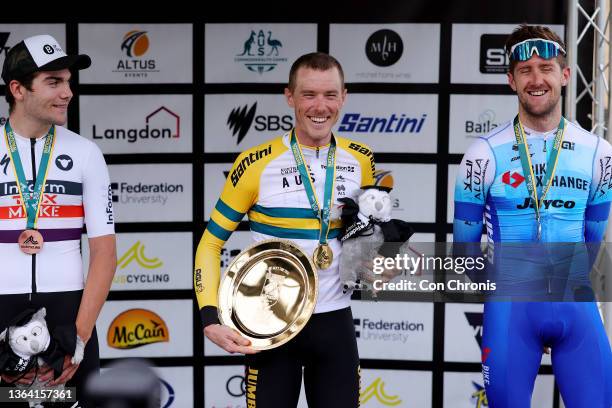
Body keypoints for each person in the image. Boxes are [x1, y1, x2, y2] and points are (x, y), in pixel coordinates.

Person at [194, 52, 376, 407]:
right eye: (308, 95)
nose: (320, 106)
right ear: (289, 97)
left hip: (334, 323)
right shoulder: (255, 163)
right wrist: (209, 316)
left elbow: (364, 247)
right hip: (269, 324)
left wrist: (378, 258)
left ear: (344, 97)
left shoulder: (362, 161)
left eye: (330, 95)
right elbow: (210, 244)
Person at [454, 24, 612, 407]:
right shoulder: (482, 155)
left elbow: (593, 242)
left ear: (565, 75)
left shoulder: (599, 153)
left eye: (546, 67)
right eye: (525, 70)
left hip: (576, 305)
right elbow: (464, 250)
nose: (536, 79)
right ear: (511, 80)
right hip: (511, 312)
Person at [0, 34, 116, 407]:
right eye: (54, 82)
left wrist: (78, 338)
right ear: (18, 89)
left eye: (68, 81)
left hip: (68, 315)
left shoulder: (86, 153)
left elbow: (104, 254)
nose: (67, 92)